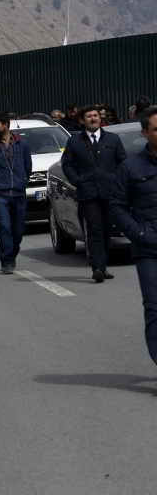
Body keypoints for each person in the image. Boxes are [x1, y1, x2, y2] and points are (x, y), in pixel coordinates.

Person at [109, 107, 157, 370]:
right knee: (155, 309)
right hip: (150, 250)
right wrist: (139, 234)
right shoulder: (132, 167)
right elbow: (116, 207)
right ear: (145, 133)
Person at [62, 104, 128, 283]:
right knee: (94, 229)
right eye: (89, 116)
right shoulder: (75, 141)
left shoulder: (113, 139)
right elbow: (66, 164)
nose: (93, 119)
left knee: (107, 230)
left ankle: (103, 265)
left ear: (100, 118)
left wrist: (116, 179)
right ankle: (97, 267)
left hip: (110, 191)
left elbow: (123, 162)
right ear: (82, 121)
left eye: (96, 116)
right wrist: (78, 180)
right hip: (88, 192)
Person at [0, 113, 33, 274]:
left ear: (6, 125)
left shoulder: (22, 145)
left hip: (19, 193)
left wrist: (21, 181)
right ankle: (7, 260)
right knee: (4, 227)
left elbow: (27, 167)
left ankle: (12, 253)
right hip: (0, 193)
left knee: (18, 229)